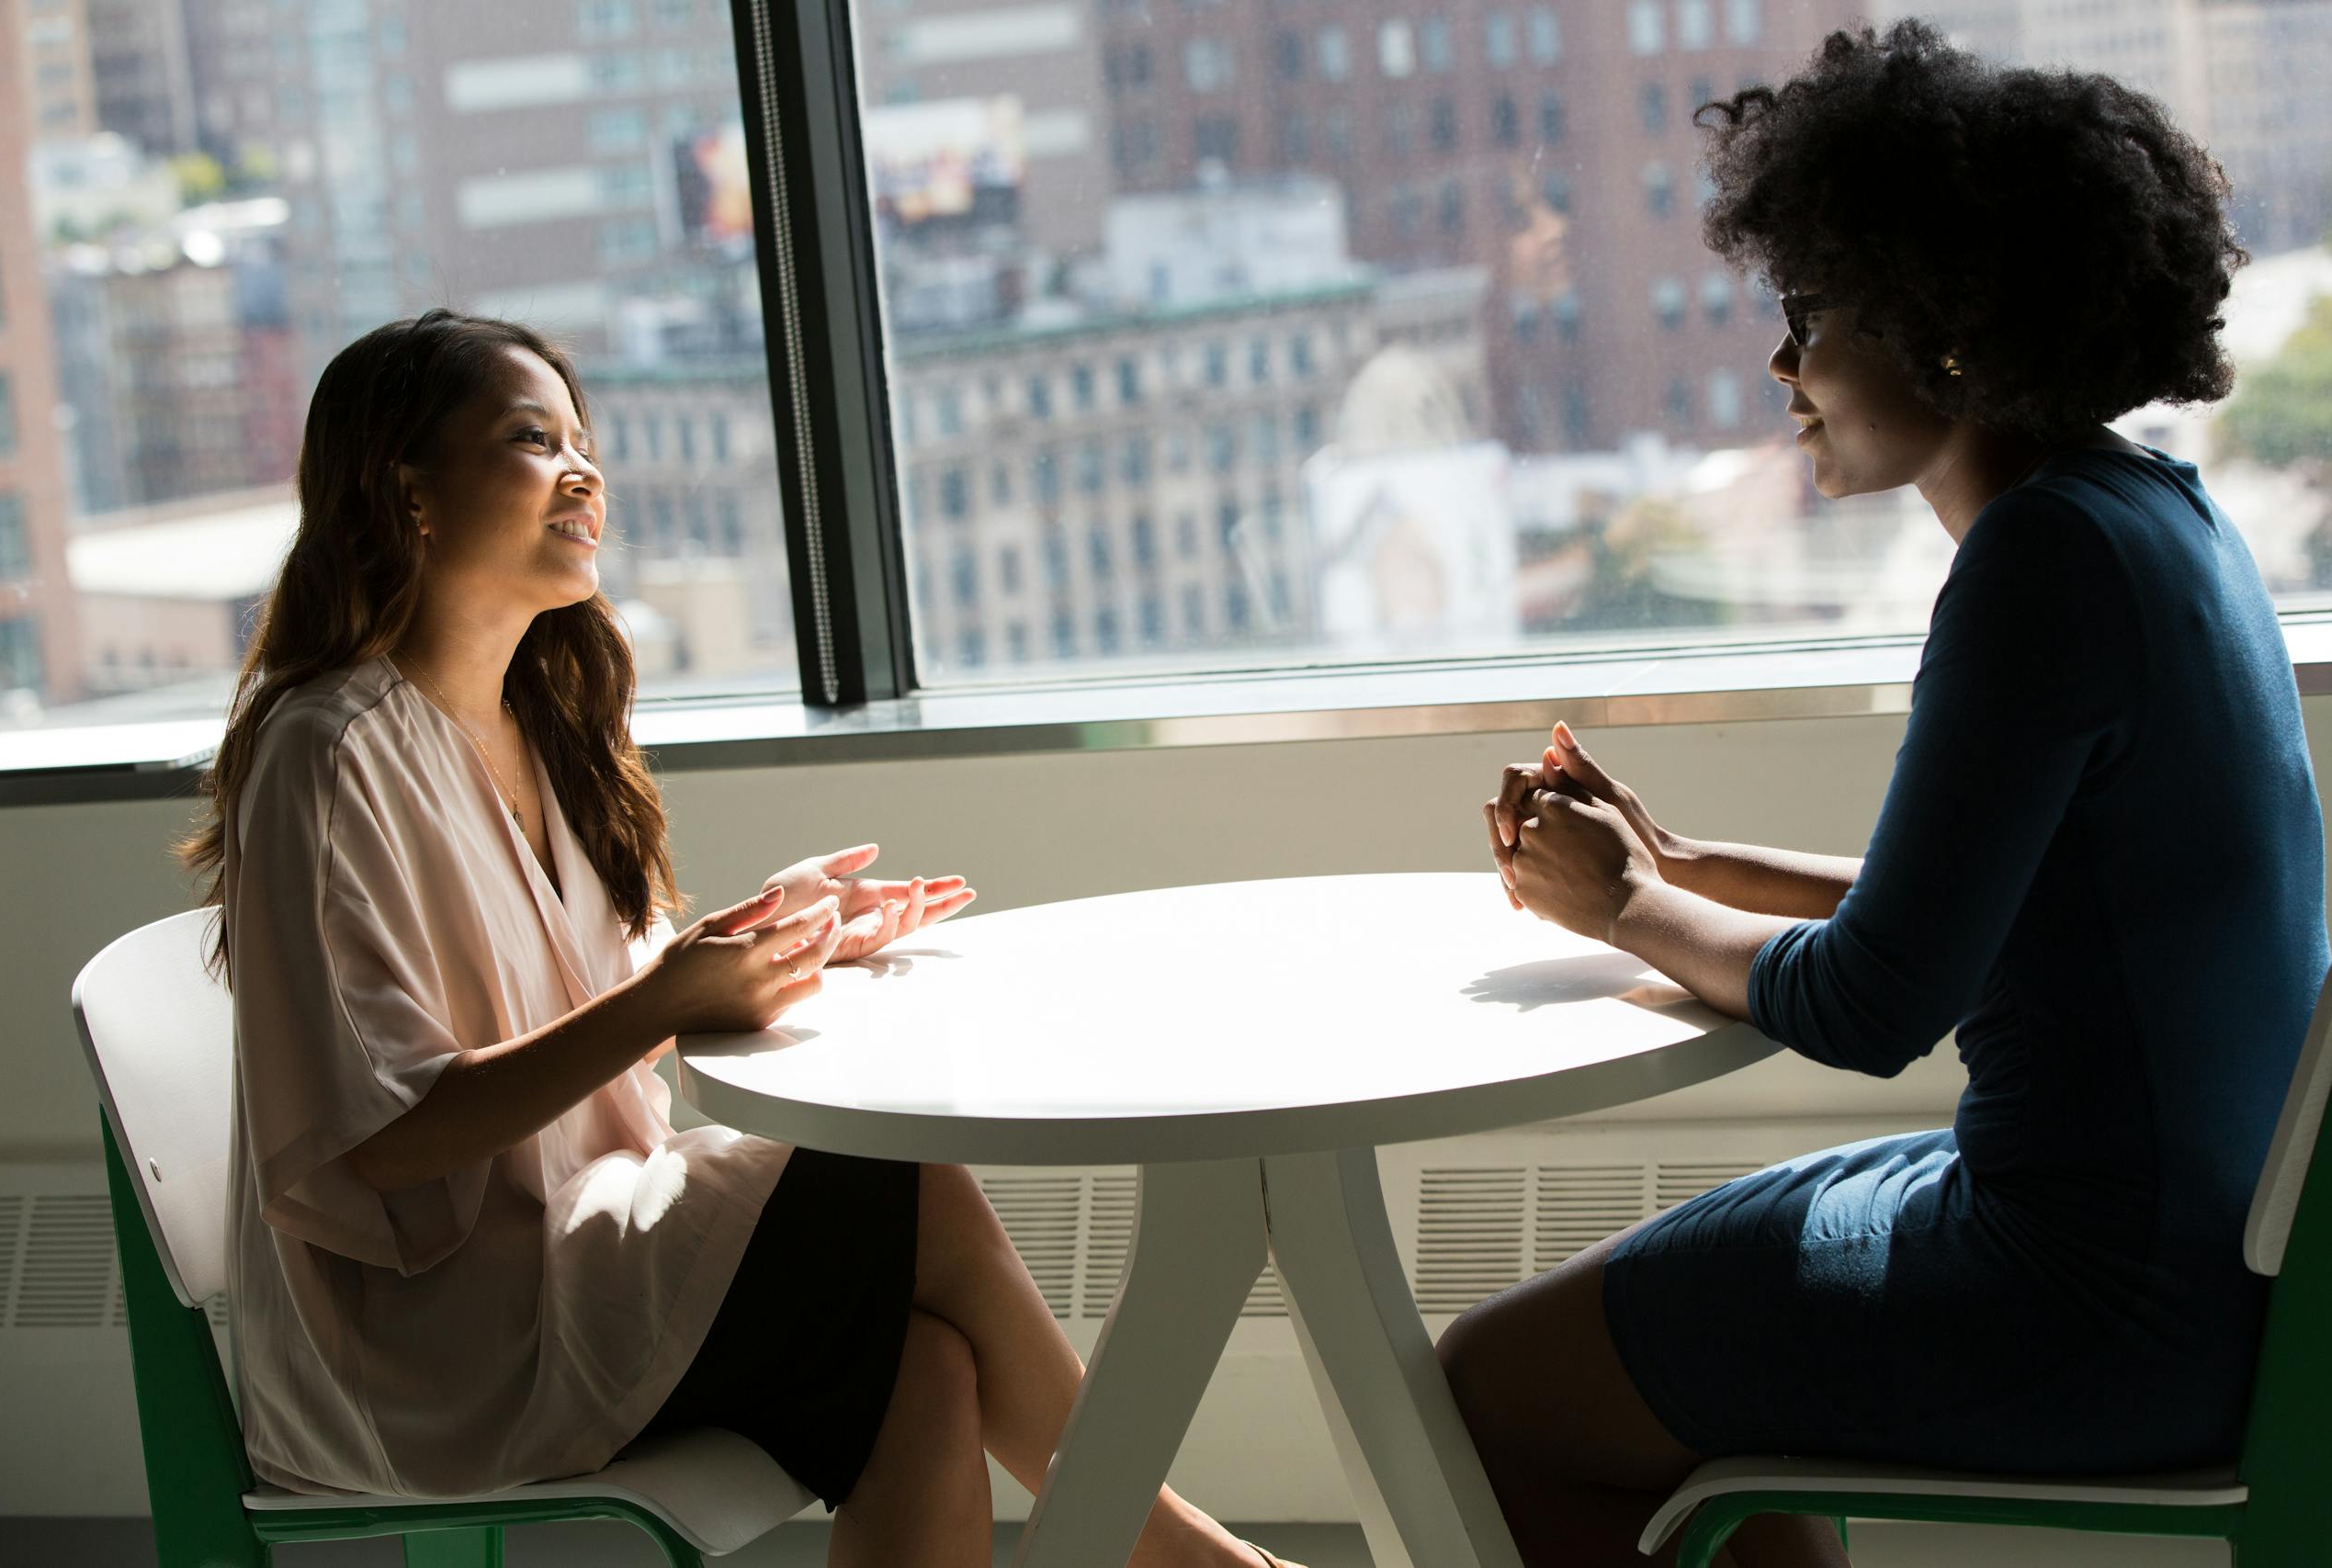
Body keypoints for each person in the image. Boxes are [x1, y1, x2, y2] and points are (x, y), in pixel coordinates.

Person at [182, 309, 1303, 1568]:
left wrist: (773, 942)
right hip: (430, 1346)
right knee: (899, 1177)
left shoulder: (538, 731)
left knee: (922, 1366)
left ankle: (1181, 1554)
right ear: (409, 492)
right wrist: (667, 999)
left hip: (572, 1257)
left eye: (582, 437)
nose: (583, 468)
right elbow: (382, 1141)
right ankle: (1190, 1557)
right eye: (529, 437)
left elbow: (590, 1009)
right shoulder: (329, 754)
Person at [1440, 21, 2328, 1568]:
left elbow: (1874, 1005)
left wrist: (1630, 906)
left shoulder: (2038, 569)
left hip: (2096, 1305)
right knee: (1690, 1326)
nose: (1784, 365)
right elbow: (2001, 906)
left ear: (1946, 331)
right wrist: (1691, 861)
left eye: (1812, 310)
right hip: (2222, 1272)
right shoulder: (2155, 518)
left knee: (1478, 1388)